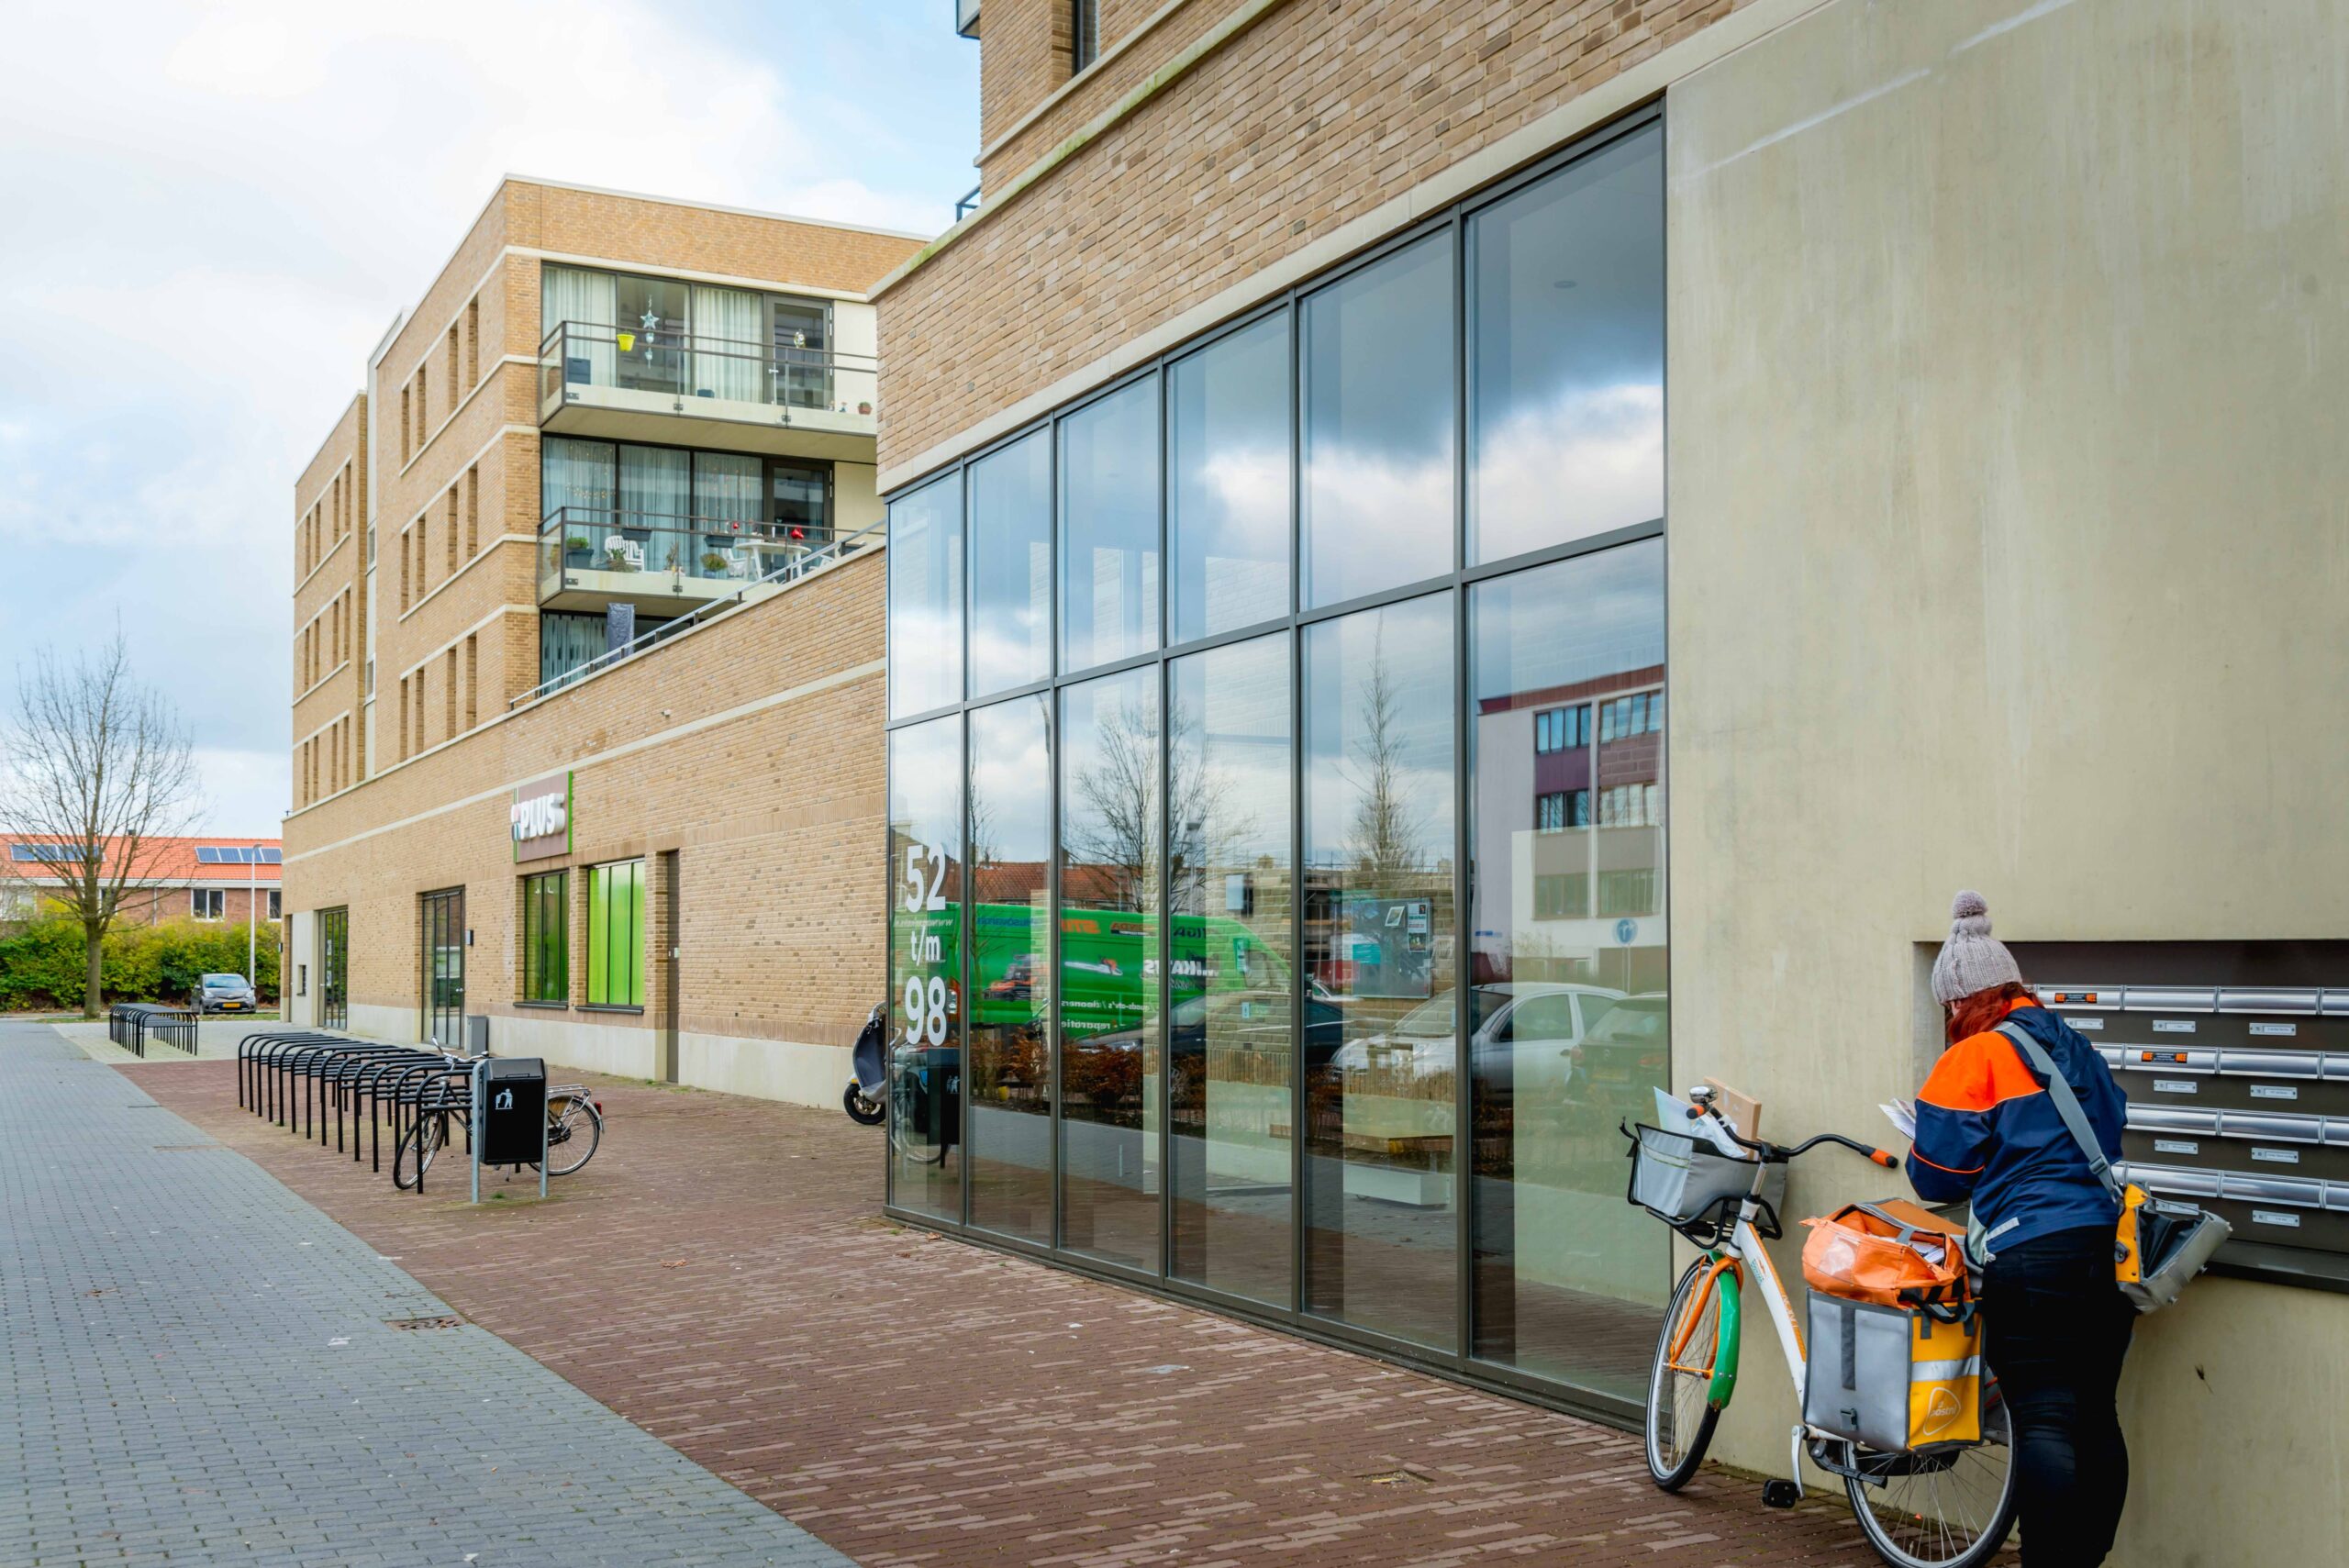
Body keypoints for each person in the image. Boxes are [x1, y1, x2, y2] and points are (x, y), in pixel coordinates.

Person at [1906, 890, 2133, 1566]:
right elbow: (2112, 1129)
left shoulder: (1973, 1057)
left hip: (2031, 1258)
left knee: (2043, 1419)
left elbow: (1936, 1177)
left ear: (1960, 1000)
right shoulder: (2073, 1043)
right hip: (2105, 1249)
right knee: (2096, 1413)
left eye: (1946, 1005)